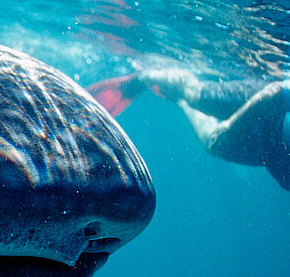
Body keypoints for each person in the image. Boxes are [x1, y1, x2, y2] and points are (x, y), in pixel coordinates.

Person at [89, 68, 290, 191]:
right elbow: (274, 92)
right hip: (266, 105)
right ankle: (148, 75)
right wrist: (232, 125)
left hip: (271, 145)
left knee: (215, 144)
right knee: (196, 96)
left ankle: (174, 94)